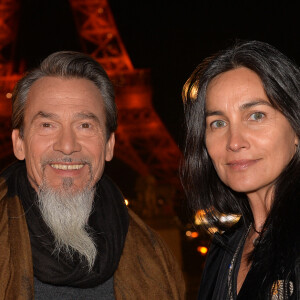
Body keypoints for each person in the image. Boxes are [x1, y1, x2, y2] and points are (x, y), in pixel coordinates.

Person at [0, 51, 185, 299]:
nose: (67, 145)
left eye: (85, 125)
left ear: (109, 145)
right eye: (47, 125)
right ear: (18, 143)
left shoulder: (157, 255)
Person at [181, 40, 300, 299]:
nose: (234, 142)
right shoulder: (225, 246)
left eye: (256, 116)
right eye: (218, 122)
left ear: (296, 129)